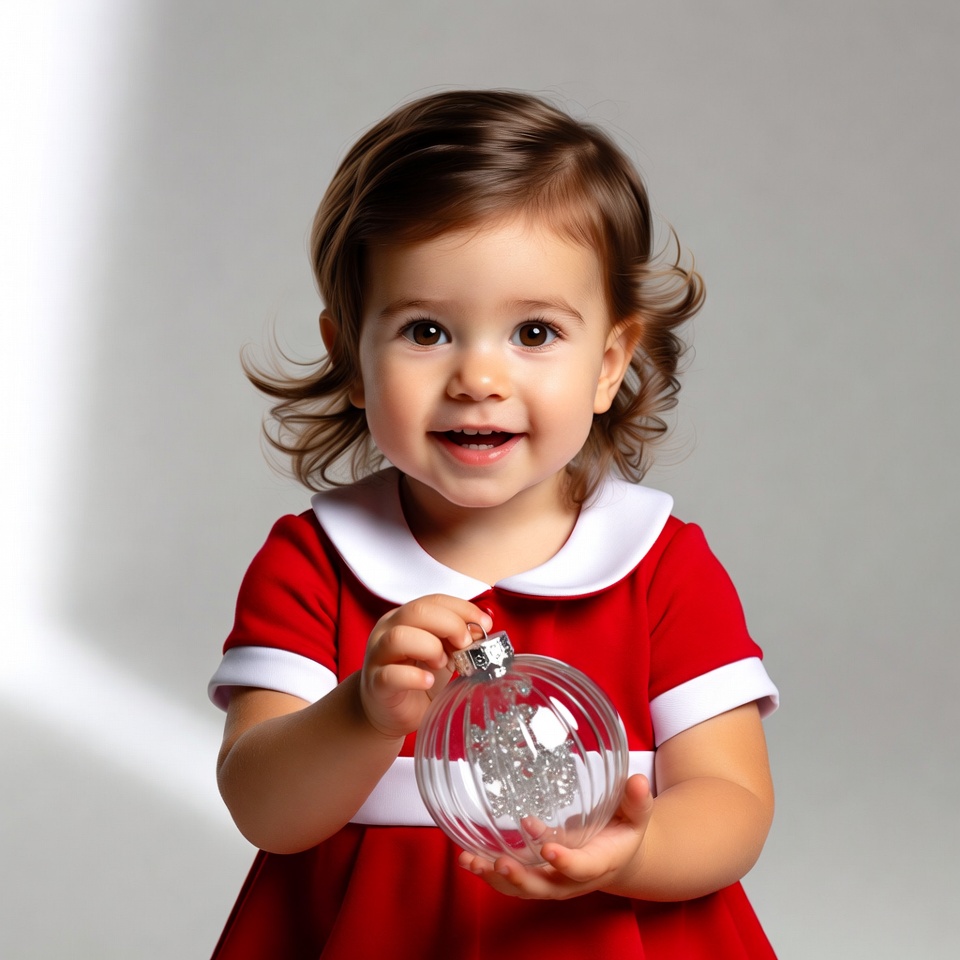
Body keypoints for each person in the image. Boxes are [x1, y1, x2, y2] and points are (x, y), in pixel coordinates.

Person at [208, 89, 780, 959]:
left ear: (609, 364)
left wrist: (636, 851)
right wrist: (362, 714)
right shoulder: (315, 562)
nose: (479, 376)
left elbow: (733, 800)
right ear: (349, 359)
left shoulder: (661, 565)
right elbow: (265, 809)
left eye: (536, 331)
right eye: (427, 330)